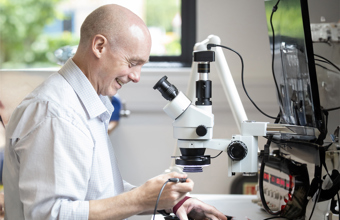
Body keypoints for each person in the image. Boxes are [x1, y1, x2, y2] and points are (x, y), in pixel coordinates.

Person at [3, 4, 229, 220]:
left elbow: (100, 195)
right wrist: (141, 199)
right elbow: (51, 215)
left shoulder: (86, 103)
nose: (136, 76)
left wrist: (167, 200)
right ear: (99, 46)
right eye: (132, 63)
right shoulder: (56, 114)